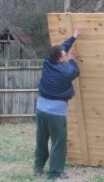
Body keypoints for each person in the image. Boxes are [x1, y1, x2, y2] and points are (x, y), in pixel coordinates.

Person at [34, 26, 82, 180]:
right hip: (55, 113)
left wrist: (74, 36)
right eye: (64, 55)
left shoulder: (47, 62)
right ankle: (54, 173)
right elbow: (75, 71)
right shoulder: (67, 71)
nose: (65, 53)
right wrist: (73, 60)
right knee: (58, 142)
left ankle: (38, 168)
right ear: (61, 59)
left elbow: (62, 49)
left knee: (41, 140)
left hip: (41, 109)